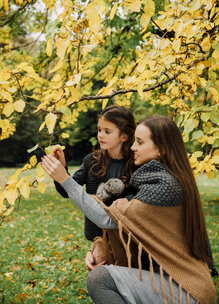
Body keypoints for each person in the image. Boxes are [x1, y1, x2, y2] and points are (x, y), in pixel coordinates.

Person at [41, 115, 216, 304]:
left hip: (186, 291)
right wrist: (103, 247)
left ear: (161, 148)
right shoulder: (160, 177)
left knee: (100, 279)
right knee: (103, 275)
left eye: (140, 142)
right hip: (175, 283)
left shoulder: (164, 185)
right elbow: (135, 231)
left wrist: (64, 179)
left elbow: (106, 219)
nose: (133, 147)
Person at [52, 105, 136, 266]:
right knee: (101, 267)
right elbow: (67, 191)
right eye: (99, 130)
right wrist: (62, 169)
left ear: (124, 136)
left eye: (107, 131)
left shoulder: (135, 164)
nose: (100, 135)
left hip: (128, 233)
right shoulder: (92, 161)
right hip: (99, 235)